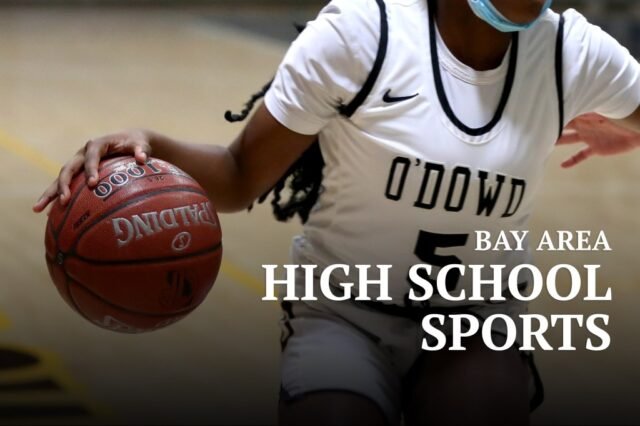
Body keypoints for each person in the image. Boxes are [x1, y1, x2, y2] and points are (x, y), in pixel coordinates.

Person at [33, 0, 640, 424]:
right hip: (346, 314)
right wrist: (150, 144)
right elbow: (240, 176)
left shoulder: (573, 52)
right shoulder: (361, 35)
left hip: (475, 321)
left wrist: (630, 129)